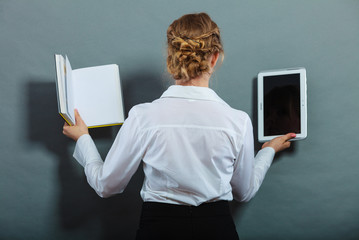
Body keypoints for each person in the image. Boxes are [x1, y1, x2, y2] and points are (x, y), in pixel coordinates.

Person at [63, 13, 296, 240]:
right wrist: (267, 151)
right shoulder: (238, 121)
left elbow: (106, 185)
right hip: (217, 229)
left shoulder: (143, 117)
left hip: (158, 229)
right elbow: (243, 192)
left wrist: (83, 138)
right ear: (214, 58)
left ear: (170, 59)